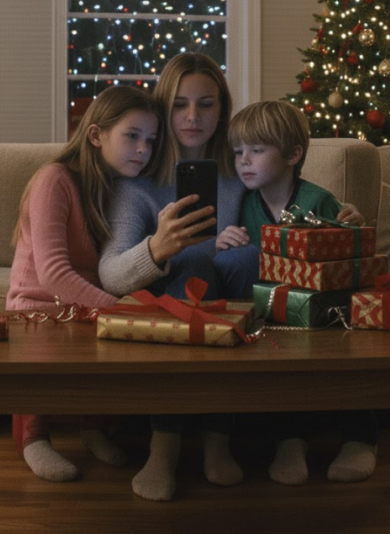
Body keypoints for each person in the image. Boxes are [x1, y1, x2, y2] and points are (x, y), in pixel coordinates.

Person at [98, 53, 256, 502]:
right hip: (173, 308)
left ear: (222, 109)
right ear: (163, 109)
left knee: (241, 261)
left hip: (235, 304)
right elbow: (110, 274)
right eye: (180, 105)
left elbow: (287, 201)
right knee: (192, 264)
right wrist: (158, 248)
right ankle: (163, 444)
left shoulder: (242, 171)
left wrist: (329, 215)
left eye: (206, 104)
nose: (192, 117)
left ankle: (218, 436)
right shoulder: (137, 184)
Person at [7, 84, 163, 483]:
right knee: (96, 329)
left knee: (113, 345)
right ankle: (33, 438)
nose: (143, 150)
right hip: (37, 306)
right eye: (132, 136)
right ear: (96, 135)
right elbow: (54, 274)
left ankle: (93, 427)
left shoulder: (119, 188)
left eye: (150, 140)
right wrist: (124, 312)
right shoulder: (53, 179)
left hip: (83, 305)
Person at [220, 100, 377, 486]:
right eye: (239, 151)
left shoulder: (317, 200)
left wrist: (351, 227)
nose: (244, 161)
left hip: (328, 314)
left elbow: (351, 258)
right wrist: (225, 240)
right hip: (273, 318)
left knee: (348, 357)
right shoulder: (243, 205)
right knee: (278, 365)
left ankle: (362, 438)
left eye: (257, 150)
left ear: (293, 154)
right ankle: (291, 441)